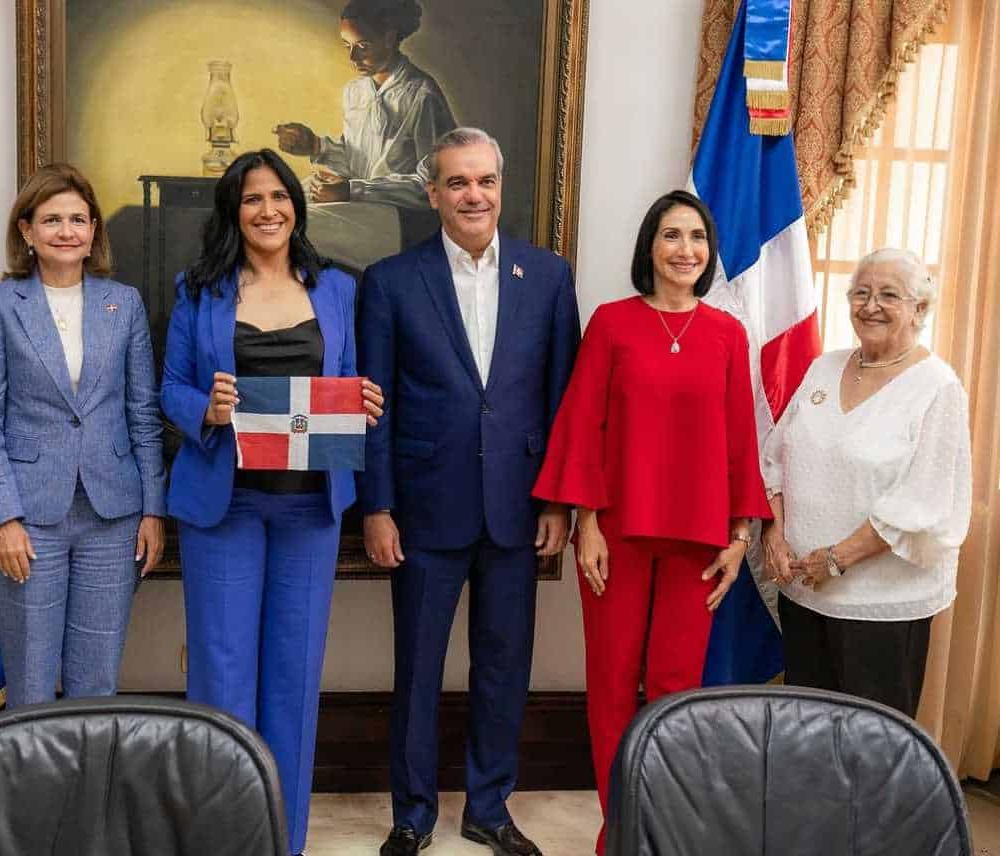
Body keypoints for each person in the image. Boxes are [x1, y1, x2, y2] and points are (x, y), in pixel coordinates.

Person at [358, 127, 578, 856]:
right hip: (423, 508)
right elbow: (375, 404)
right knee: (417, 671)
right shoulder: (391, 281)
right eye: (457, 183)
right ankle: (412, 816)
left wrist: (557, 500)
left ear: (500, 187)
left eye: (484, 181)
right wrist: (379, 506)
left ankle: (489, 807)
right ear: (433, 194)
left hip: (518, 508)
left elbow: (562, 403)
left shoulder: (547, 276)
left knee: (504, 667)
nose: (473, 195)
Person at [532, 190, 772, 855]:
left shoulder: (727, 332)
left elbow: (738, 442)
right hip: (618, 533)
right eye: (671, 236)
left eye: (696, 237)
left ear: (709, 250)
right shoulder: (611, 322)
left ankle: (661, 824)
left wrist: (741, 535)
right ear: (650, 248)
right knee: (610, 685)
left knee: (675, 689)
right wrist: (588, 521)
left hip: (699, 540)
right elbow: (583, 423)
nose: (685, 250)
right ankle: (621, 830)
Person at [161, 148, 383, 856]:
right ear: (233, 211)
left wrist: (365, 402)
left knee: (293, 683)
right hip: (223, 511)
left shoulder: (339, 290)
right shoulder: (198, 290)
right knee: (222, 682)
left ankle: (283, 841)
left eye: (279, 196)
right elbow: (168, 389)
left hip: (308, 512)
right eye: (252, 198)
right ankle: (223, 840)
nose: (268, 210)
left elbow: (346, 383)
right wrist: (210, 409)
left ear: (297, 205)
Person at [0, 162, 166, 709]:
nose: (67, 230)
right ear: (26, 231)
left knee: (96, 683)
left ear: (94, 230)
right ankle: (33, 797)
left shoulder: (122, 304)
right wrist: (3, 517)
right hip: (28, 520)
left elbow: (143, 414)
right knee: (30, 683)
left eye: (79, 218)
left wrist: (153, 510)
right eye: (51, 219)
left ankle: (87, 796)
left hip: (113, 517)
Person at [762, 247, 971, 717]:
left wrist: (837, 559)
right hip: (804, 593)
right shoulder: (824, 366)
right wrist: (773, 532)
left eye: (889, 295)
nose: (870, 305)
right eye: (861, 292)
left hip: (880, 608)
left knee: (871, 747)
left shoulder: (937, 387)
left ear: (920, 309)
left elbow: (926, 500)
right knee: (809, 733)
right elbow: (776, 457)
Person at [274, 0, 455, 209]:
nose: (352, 57)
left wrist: (352, 191)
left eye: (362, 46)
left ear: (389, 37)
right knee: (282, 205)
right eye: (347, 46)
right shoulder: (355, 92)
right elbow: (356, 162)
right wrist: (314, 145)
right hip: (360, 209)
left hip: (400, 217)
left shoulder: (422, 95)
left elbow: (435, 184)